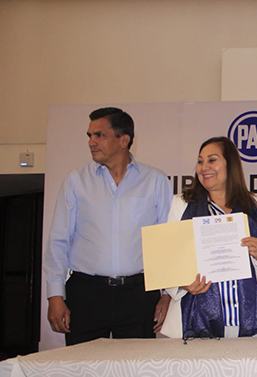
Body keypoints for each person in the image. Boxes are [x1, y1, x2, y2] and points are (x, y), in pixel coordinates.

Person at [44, 107, 172, 345]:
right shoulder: (76, 181)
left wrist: (167, 294)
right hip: (85, 293)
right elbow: (59, 240)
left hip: (139, 294)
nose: (91, 142)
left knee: (136, 366)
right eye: (89, 136)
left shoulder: (155, 181)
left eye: (99, 135)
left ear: (123, 140)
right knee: (83, 366)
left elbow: (166, 241)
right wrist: (55, 296)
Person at [161, 137, 257, 338]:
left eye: (212, 160)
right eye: (200, 161)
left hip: (247, 313)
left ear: (230, 165)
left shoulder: (255, 206)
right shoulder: (181, 204)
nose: (204, 167)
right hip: (194, 313)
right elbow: (166, 262)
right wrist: (182, 284)